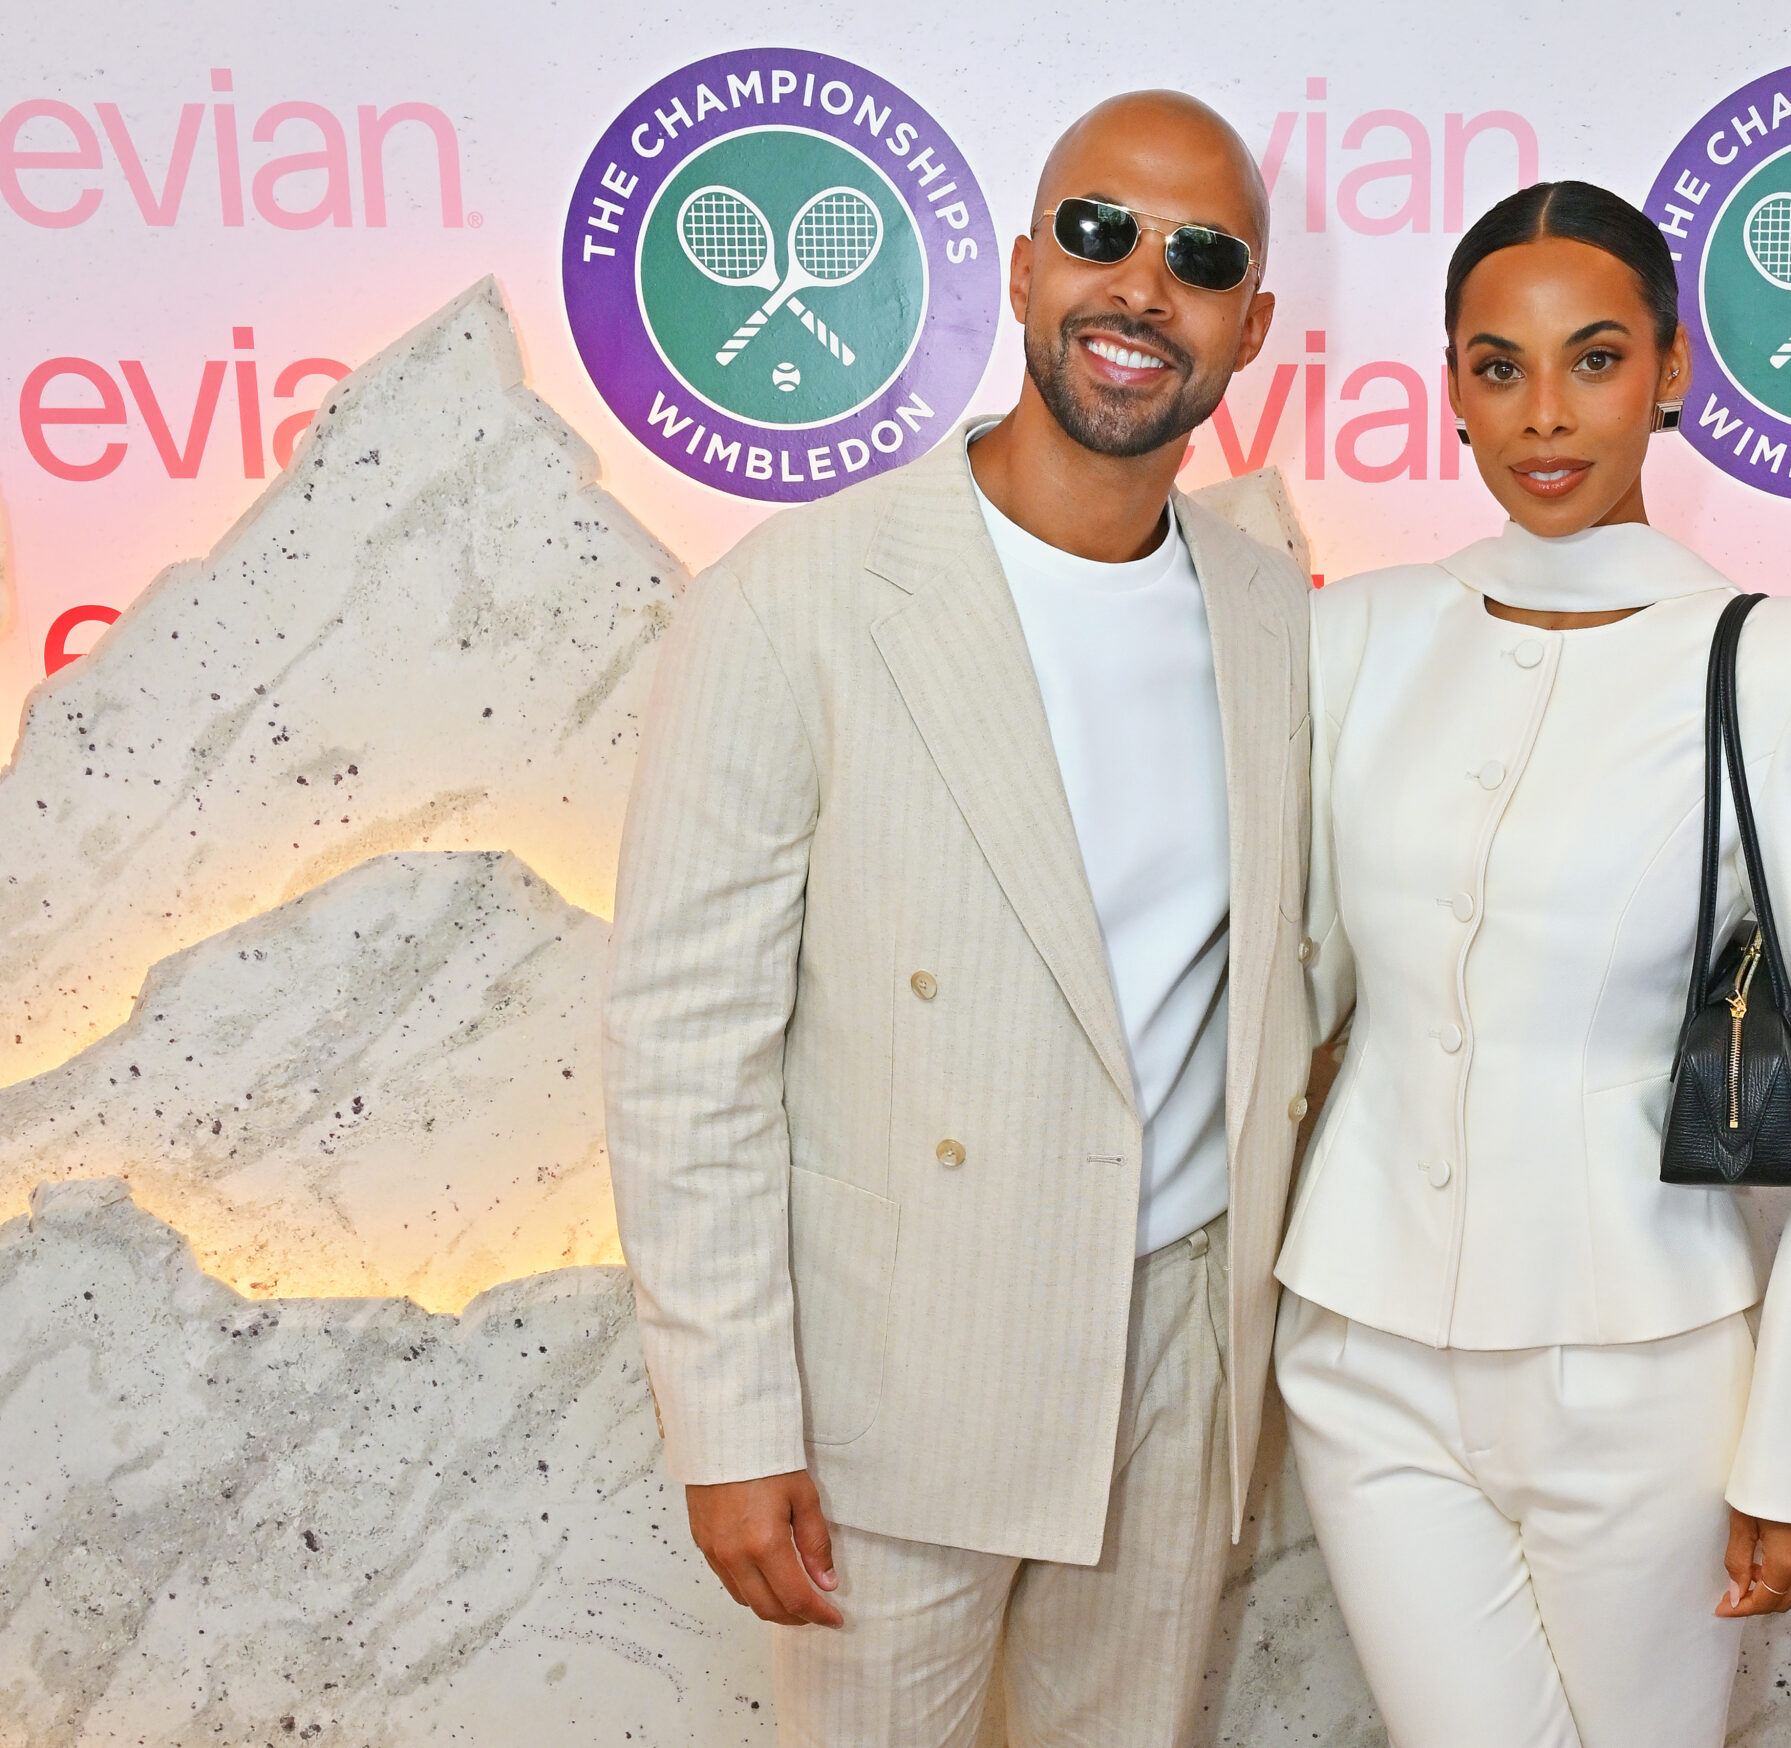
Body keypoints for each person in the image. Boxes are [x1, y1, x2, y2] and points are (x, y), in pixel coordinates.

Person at [601, 91, 1316, 1748]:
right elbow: (684, 1044)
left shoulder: (1278, 611)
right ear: (1014, 267)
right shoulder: (797, 600)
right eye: (1098, 232)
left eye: (1200, 259)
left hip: (1173, 1370)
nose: (1141, 286)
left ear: (1251, 327)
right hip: (893, 1379)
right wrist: (730, 1423)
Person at [1275, 180, 1791, 1747]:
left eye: (1596, 359)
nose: (1544, 415)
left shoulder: (1782, 665)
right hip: (1362, 1353)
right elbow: (1286, 987)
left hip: (1642, 1376)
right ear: (1451, 389)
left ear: (1674, 374)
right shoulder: (1354, 635)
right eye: (1498, 367)